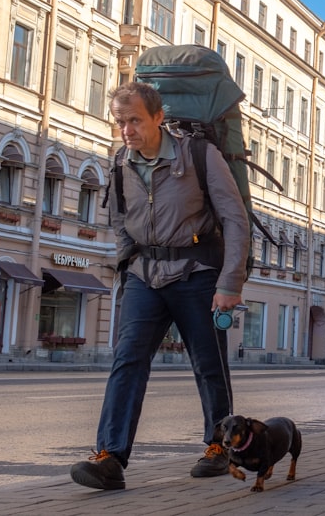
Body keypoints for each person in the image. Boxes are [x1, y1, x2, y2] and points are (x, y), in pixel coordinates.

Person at [70, 82, 250, 490]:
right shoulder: (120, 164)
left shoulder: (201, 156)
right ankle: (110, 458)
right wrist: (125, 263)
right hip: (143, 276)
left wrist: (230, 281)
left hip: (197, 273)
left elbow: (235, 220)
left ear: (157, 118)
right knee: (127, 361)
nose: (127, 130)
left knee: (208, 364)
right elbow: (120, 219)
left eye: (134, 120)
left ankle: (219, 447)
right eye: (120, 121)